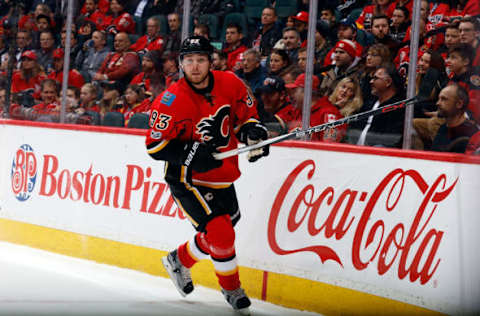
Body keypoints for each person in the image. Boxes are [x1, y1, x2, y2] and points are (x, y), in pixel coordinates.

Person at [145, 36, 269, 314]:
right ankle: (232, 289)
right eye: (189, 60)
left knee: (220, 231)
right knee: (221, 233)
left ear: (210, 62)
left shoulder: (231, 83)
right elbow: (155, 146)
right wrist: (190, 152)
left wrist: (253, 133)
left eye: (201, 59)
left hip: (223, 174)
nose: (195, 66)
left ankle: (179, 260)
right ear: (181, 64)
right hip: (187, 179)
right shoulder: (170, 100)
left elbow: (245, 117)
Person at [347, 63, 406, 148]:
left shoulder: (398, 108)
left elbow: (391, 140)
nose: (371, 82)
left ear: (388, 82)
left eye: (375, 78)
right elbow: (353, 128)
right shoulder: (368, 104)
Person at [287, 73, 347, 142]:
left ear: (306, 92)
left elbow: (329, 146)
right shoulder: (298, 110)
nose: (291, 95)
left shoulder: (329, 113)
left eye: (295, 91)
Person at [431, 84, 479, 153]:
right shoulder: (443, 128)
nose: (438, 103)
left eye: (444, 99)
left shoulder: (471, 134)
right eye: (439, 99)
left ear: (459, 104)